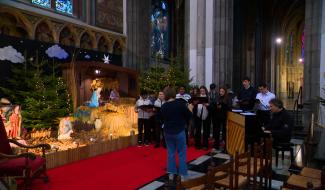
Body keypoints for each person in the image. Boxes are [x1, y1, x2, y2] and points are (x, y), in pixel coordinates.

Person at [161, 86, 192, 181]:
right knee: (182, 153)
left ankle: (171, 173)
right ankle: (182, 174)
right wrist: (190, 108)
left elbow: (161, 119)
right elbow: (189, 116)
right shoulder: (180, 104)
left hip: (167, 132)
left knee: (170, 152)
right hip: (179, 131)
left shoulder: (164, 106)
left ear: (166, 95)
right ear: (174, 94)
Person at [214, 87, 231, 151]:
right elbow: (214, 104)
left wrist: (222, 106)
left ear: (225, 92)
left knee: (224, 132)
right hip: (217, 116)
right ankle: (216, 145)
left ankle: (225, 147)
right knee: (217, 131)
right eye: (220, 91)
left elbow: (229, 107)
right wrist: (216, 106)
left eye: (222, 91)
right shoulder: (217, 97)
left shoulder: (227, 98)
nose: (221, 93)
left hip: (224, 116)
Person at [208, 83, 218, 149]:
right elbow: (208, 101)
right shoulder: (208, 94)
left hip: (215, 111)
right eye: (211, 89)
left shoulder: (217, 94)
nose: (212, 90)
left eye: (213, 89)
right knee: (208, 124)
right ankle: (209, 137)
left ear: (215, 88)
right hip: (209, 111)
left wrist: (212, 102)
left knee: (215, 125)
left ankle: (214, 137)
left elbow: (215, 101)